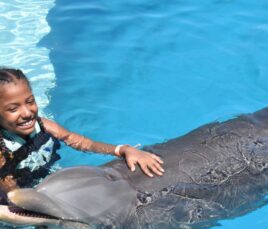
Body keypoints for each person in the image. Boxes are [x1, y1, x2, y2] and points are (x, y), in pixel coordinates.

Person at [0, 68, 164, 202]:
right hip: (17, 194)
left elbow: (82, 142)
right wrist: (30, 204)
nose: (27, 113)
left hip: (45, 180)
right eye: (13, 109)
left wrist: (121, 150)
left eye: (30, 101)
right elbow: (9, 188)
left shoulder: (43, 125)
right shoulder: (2, 150)